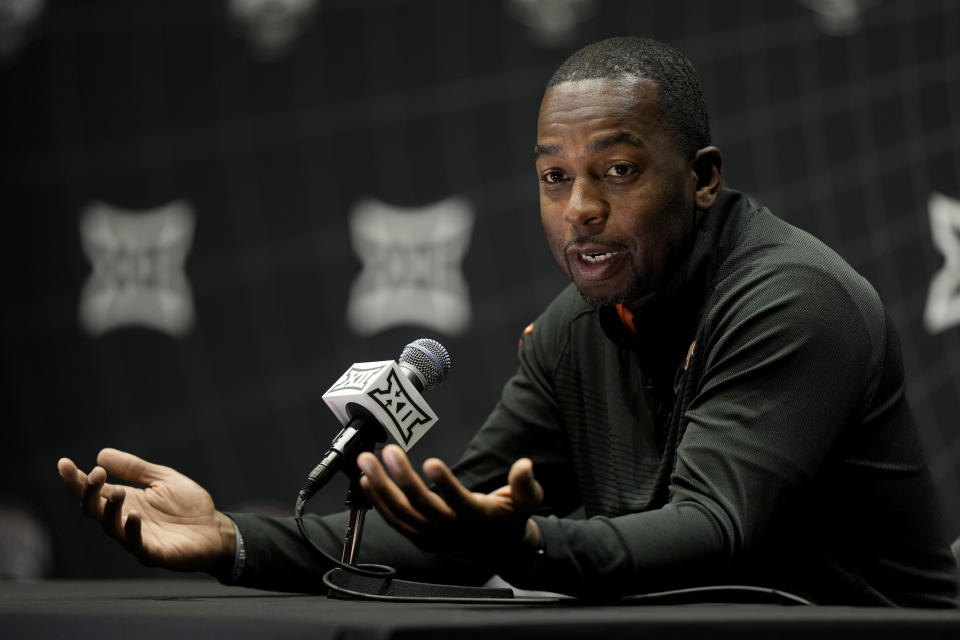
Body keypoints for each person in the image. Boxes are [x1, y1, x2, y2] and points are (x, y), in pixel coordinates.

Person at [58, 36, 959, 607]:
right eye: (553, 178)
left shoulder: (794, 301)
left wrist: (523, 543)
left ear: (704, 177)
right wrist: (233, 538)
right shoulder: (574, 328)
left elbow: (710, 530)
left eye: (615, 172)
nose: (579, 212)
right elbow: (454, 525)